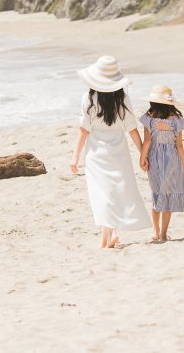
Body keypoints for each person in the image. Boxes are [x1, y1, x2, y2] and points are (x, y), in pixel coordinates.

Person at [70, 56, 149, 248]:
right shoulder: (123, 99)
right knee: (116, 191)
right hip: (119, 152)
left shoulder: (89, 98)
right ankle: (110, 234)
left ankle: (109, 235)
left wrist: (75, 157)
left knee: (101, 194)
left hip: (96, 154)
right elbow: (131, 128)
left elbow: (84, 130)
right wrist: (142, 154)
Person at [139, 85, 184, 243]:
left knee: (157, 194)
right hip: (172, 159)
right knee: (167, 195)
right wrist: (183, 165)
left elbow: (147, 141)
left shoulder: (149, 118)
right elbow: (179, 145)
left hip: (154, 158)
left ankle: (155, 231)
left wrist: (142, 158)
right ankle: (163, 234)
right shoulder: (176, 120)